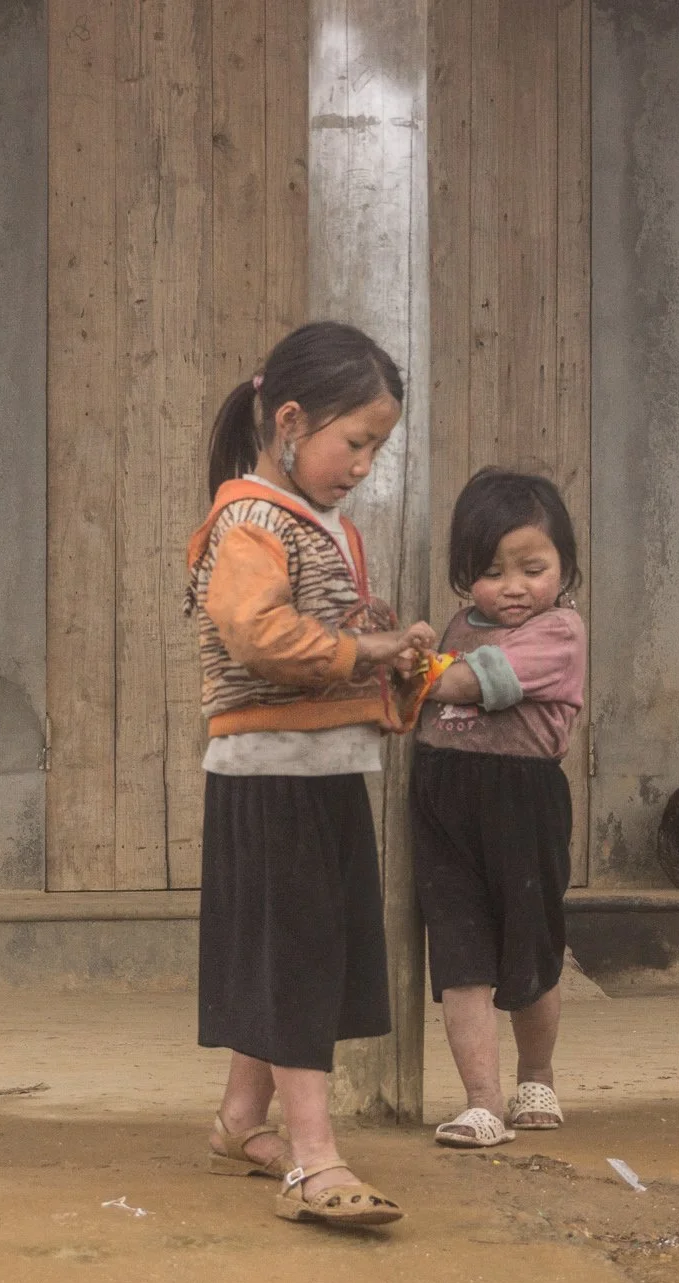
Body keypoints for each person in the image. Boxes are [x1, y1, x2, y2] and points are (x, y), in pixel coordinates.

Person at [184, 321, 422, 1226]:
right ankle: (314, 1157)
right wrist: (366, 646)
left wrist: (388, 650)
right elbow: (261, 635)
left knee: (296, 950)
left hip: (317, 768)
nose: (363, 463)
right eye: (354, 441)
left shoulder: (317, 523)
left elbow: (321, 636)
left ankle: (243, 1121)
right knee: (297, 957)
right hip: (270, 774)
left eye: (377, 446)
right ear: (290, 420)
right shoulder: (249, 519)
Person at [403, 468, 587, 1149]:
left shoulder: (560, 631)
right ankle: (482, 1101)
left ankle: (536, 1074)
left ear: (564, 566)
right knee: (460, 955)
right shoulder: (459, 624)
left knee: (531, 946)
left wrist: (397, 664)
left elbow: (467, 681)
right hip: (442, 799)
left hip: (524, 802)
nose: (513, 587)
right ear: (463, 576)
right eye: (489, 571)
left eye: (532, 568)